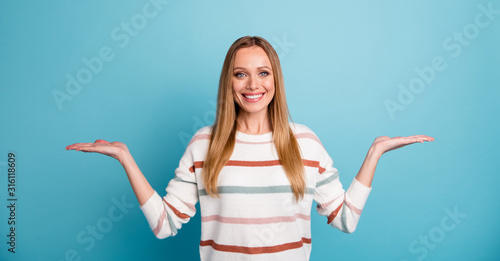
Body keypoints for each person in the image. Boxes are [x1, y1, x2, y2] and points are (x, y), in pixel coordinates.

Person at [65, 36, 434, 260]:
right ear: (229, 81)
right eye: (241, 73)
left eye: (263, 72)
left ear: (275, 79)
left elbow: (345, 220)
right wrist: (125, 158)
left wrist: (375, 154)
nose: (252, 84)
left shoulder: (305, 142)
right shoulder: (204, 145)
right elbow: (164, 225)